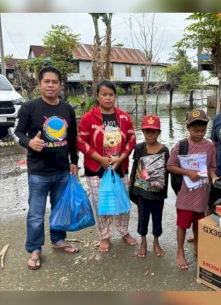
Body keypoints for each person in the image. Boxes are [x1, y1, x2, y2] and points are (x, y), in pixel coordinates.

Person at [15, 66, 80, 270]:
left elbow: (73, 139)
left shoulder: (67, 109)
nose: (51, 85)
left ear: (60, 85)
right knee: (35, 213)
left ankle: (58, 240)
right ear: (40, 84)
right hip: (38, 172)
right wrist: (29, 143)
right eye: (47, 81)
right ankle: (34, 249)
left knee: (59, 209)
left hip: (62, 170)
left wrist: (74, 162)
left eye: (54, 82)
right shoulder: (29, 108)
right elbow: (17, 133)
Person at [77, 80, 137, 253]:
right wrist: (100, 159)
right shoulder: (89, 118)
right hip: (96, 168)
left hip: (120, 166)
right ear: (97, 96)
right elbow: (80, 141)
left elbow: (132, 139)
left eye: (111, 94)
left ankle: (124, 232)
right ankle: (104, 236)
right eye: (104, 94)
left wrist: (122, 157)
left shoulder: (124, 117)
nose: (107, 98)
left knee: (122, 201)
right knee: (101, 204)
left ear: (115, 96)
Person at [167, 109, 216, 270]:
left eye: (202, 130)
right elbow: (170, 166)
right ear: (188, 128)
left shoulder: (209, 147)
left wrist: (214, 177)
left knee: (198, 223)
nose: (199, 133)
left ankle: (197, 245)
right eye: (196, 130)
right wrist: (187, 172)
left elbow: (212, 167)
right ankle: (180, 251)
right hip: (185, 194)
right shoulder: (181, 145)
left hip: (202, 193)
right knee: (182, 224)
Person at [129, 115, 170, 258]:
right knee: (143, 218)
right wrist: (131, 188)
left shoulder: (164, 150)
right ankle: (143, 242)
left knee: (157, 217)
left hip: (157, 193)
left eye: (153, 131)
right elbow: (135, 169)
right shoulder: (139, 148)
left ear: (158, 132)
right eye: (147, 131)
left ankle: (156, 241)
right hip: (141, 192)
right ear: (143, 132)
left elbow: (166, 173)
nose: (150, 134)